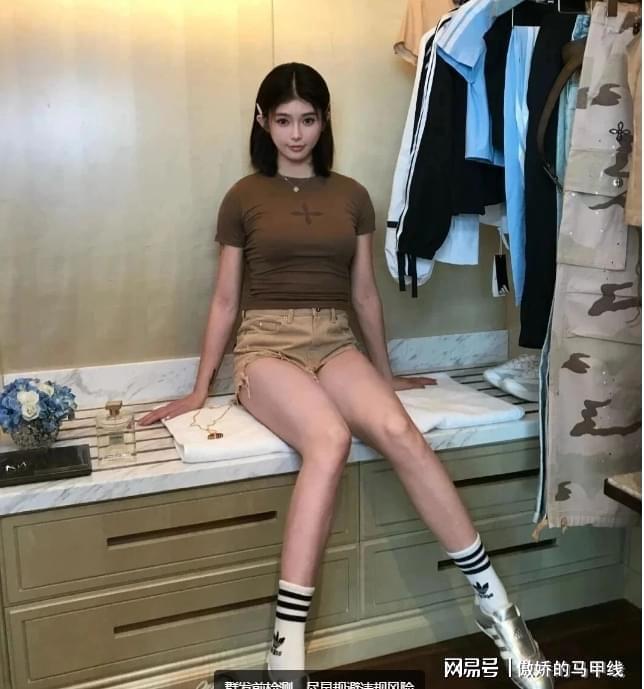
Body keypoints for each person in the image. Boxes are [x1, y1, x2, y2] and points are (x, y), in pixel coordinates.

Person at [138, 63, 552, 689]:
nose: (295, 134)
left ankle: (497, 607)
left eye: (307, 120)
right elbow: (224, 300)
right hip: (267, 346)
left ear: (325, 120)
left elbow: (363, 295)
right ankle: (285, 653)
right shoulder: (243, 197)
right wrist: (201, 387)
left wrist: (385, 375)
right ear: (262, 121)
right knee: (328, 440)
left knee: (400, 430)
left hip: (335, 341)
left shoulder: (353, 196)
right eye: (283, 120)